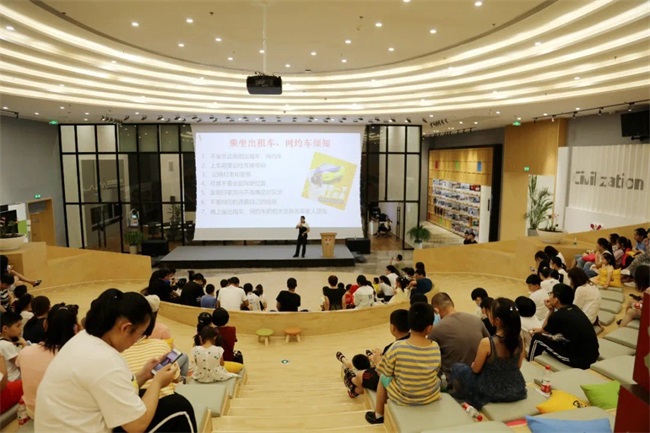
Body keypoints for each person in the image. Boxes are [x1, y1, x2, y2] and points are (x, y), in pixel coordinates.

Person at [35, 289, 197, 433]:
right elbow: (136, 426)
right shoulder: (105, 361)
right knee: (179, 408)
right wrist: (157, 383)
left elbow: (116, 388)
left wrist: (145, 374)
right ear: (125, 328)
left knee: (157, 400)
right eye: (139, 334)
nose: (137, 340)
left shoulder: (84, 339)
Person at [365, 302, 441, 424]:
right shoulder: (435, 347)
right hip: (430, 396)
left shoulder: (397, 347)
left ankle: (378, 414)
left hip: (403, 398)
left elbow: (385, 372)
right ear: (429, 328)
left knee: (383, 378)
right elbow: (436, 369)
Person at [451, 298, 527, 409]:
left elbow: (476, 370)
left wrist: (473, 365)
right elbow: (518, 366)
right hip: (516, 387)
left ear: (497, 320)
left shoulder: (487, 342)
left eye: (490, 312)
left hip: (490, 389)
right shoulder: (520, 340)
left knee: (458, 368)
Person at [17, 303, 79, 418]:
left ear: (45, 324)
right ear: (75, 328)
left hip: (34, 412)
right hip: (66, 416)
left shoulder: (25, 352)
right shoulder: (79, 357)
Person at [527, 284, 599, 369]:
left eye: (551, 294)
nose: (549, 296)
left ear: (556, 299)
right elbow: (546, 330)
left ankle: (529, 365)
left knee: (537, 338)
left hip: (578, 360)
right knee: (550, 337)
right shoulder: (574, 308)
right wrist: (542, 330)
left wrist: (550, 310)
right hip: (592, 355)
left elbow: (544, 330)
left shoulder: (558, 316)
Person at [428, 293, 489, 383]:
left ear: (436, 310)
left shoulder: (437, 329)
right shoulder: (476, 320)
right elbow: (490, 343)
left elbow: (428, 356)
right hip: (481, 377)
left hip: (454, 382)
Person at [0, 312, 26, 382]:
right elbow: (22, 363)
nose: (21, 329)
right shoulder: (6, 345)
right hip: (14, 380)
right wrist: (24, 344)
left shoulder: (7, 342)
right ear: (5, 328)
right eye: (18, 326)